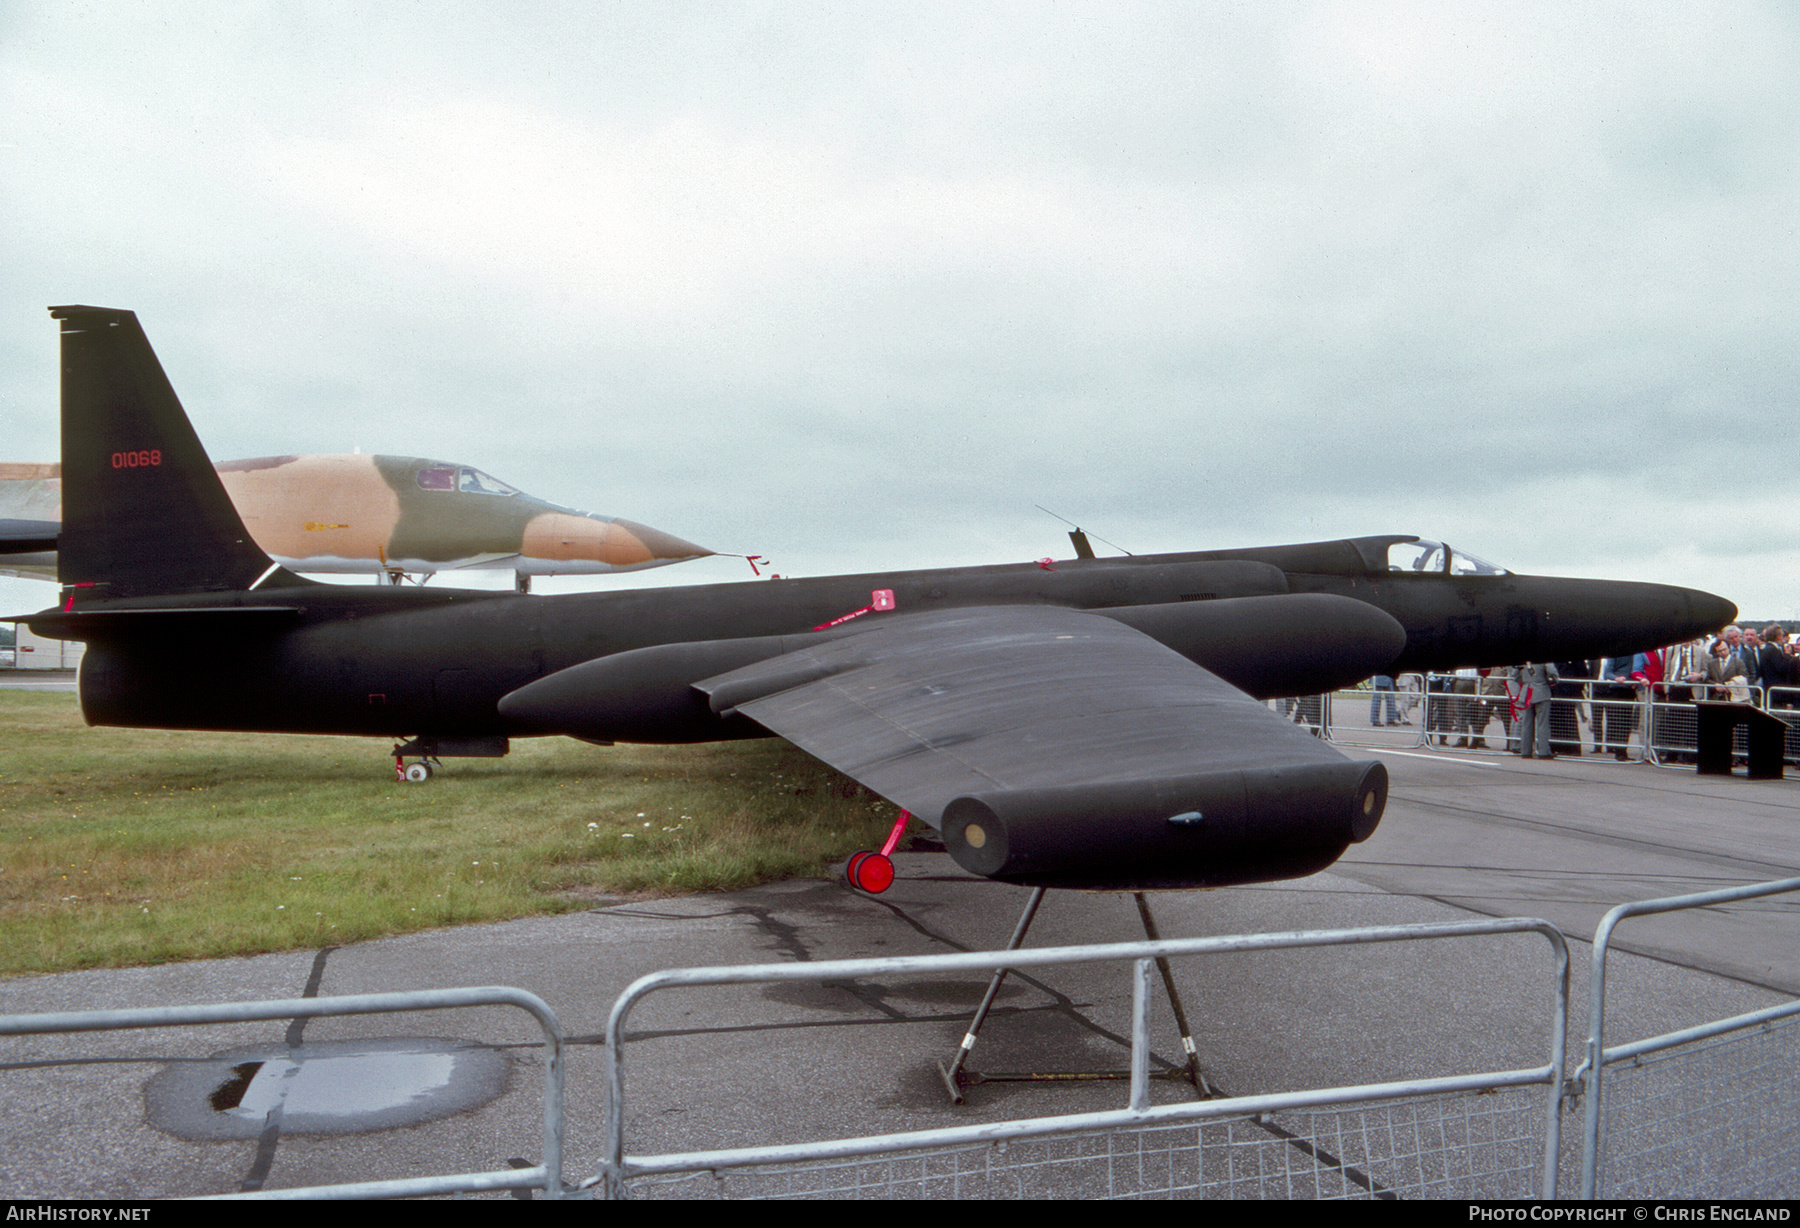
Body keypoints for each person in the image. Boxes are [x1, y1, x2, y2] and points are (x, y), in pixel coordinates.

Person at [1509, 662, 1559, 759]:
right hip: (1541, 691)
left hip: (1526, 691)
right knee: (1542, 724)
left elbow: (1514, 674)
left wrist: (1523, 681)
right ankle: (1544, 751)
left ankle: (1526, 751)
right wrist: (1555, 680)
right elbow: (1552, 671)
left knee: (1526, 724)